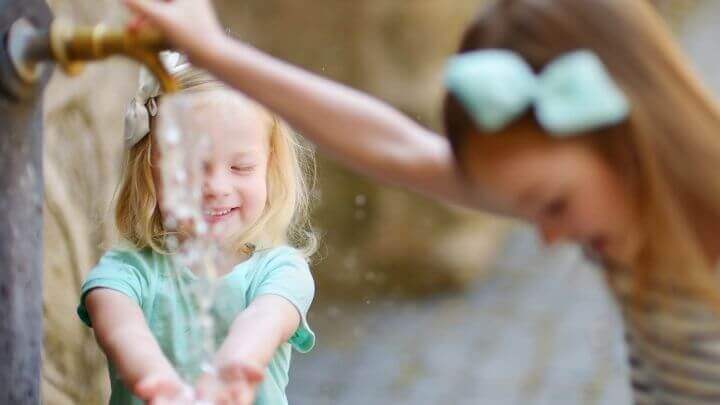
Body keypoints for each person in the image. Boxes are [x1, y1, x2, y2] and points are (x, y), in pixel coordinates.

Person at [125, 0, 720, 402]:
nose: (547, 236)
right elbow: (395, 147)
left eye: (554, 203)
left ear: (627, 137)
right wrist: (218, 54)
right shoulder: (630, 217)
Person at [77, 58, 317, 404]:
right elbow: (118, 326)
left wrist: (236, 363)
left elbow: (266, 318)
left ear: (270, 168)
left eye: (241, 167)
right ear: (150, 173)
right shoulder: (126, 270)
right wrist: (156, 380)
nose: (217, 187)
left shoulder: (281, 271)